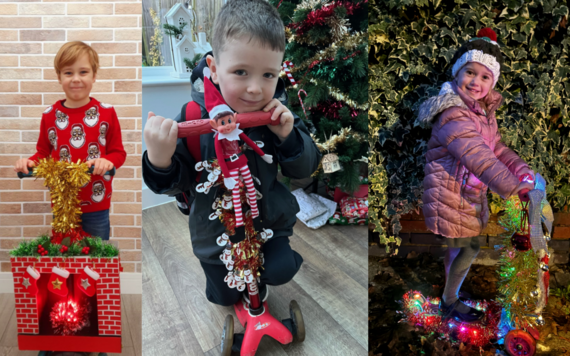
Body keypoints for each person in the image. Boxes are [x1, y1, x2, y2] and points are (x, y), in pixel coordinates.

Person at [142, 0, 322, 307]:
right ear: (213, 68)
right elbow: (177, 183)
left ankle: (266, 273)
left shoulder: (277, 116)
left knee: (281, 269)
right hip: (215, 236)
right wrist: (159, 159)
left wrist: (289, 137)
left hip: (267, 226)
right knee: (223, 297)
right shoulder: (190, 116)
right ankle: (224, 286)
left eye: (268, 75)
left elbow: (304, 168)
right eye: (241, 72)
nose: (255, 89)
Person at [416, 28, 535, 323]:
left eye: (485, 77)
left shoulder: (482, 112)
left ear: (492, 82)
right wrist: (512, 187)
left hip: (466, 195)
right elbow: (478, 157)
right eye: (470, 72)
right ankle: (449, 301)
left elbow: (496, 148)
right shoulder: (453, 113)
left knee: (460, 248)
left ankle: (449, 290)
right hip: (450, 195)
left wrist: (521, 171)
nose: (476, 82)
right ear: (457, 73)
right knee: (467, 248)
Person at [13, 41, 127, 241]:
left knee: (97, 257)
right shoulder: (49, 115)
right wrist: (30, 162)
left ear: (94, 76)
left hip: (97, 203)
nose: (76, 79)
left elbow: (118, 152)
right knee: (64, 256)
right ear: (59, 77)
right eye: (68, 73)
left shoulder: (107, 113)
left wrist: (107, 161)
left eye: (83, 72)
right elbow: (42, 153)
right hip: (62, 204)